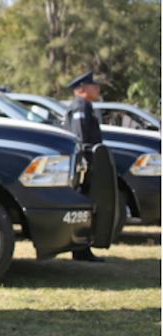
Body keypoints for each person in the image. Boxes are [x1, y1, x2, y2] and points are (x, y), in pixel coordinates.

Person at [64, 70, 105, 263]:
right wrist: (85, 161)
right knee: (84, 205)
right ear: (82, 89)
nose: (97, 88)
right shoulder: (81, 105)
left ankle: (82, 249)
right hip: (84, 164)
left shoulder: (85, 105)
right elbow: (79, 137)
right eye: (93, 85)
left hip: (87, 162)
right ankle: (80, 250)